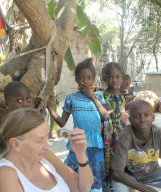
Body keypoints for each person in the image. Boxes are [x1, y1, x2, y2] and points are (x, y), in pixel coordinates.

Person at [0, 108, 93, 192]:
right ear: (16, 144)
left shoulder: (46, 157)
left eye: (46, 138)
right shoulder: (7, 173)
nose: (47, 146)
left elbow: (82, 188)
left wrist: (81, 154)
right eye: (39, 140)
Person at [47, 58, 109, 191]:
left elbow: (105, 115)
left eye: (89, 78)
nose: (85, 81)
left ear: (93, 80)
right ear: (76, 79)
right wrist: (50, 108)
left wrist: (92, 96)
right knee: (73, 173)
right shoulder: (72, 98)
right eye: (81, 78)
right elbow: (62, 122)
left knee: (94, 176)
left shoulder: (98, 96)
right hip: (78, 143)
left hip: (96, 145)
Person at [100, 62, 127, 188]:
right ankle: (108, 186)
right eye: (111, 77)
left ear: (122, 77)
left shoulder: (122, 96)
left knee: (120, 157)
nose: (115, 80)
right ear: (105, 78)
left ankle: (118, 183)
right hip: (108, 132)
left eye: (117, 77)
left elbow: (122, 114)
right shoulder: (102, 96)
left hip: (122, 131)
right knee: (108, 158)